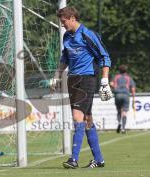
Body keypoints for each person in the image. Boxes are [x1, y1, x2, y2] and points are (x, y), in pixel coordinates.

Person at [49, 7, 113, 169]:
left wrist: (104, 80)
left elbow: (104, 56)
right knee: (87, 119)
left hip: (87, 79)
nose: (62, 25)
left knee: (77, 117)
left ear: (72, 18)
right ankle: (99, 160)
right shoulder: (67, 36)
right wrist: (57, 76)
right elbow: (65, 58)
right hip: (73, 79)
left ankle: (73, 159)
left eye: (63, 22)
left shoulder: (87, 34)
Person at [110, 64, 136, 134]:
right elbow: (133, 89)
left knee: (119, 111)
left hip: (117, 94)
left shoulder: (116, 77)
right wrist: (133, 98)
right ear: (126, 70)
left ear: (119, 70)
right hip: (125, 95)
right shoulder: (128, 78)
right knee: (124, 112)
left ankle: (119, 123)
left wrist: (114, 88)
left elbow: (111, 83)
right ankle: (123, 128)